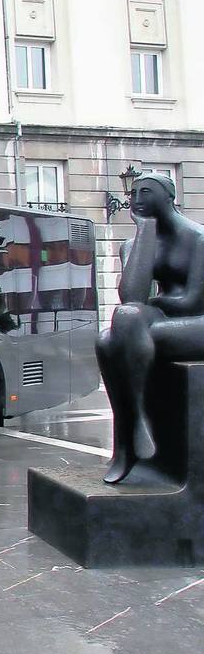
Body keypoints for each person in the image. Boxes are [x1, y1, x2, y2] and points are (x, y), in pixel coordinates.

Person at [97, 172, 204, 483]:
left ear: (169, 197)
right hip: (164, 321)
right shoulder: (134, 243)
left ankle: (133, 428)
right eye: (133, 192)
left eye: (146, 191)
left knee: (124, 327)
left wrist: (154, 306)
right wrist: (145, 231)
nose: (137, 198)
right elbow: (131, 296)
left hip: (197, 321)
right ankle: (134, 427)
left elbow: (192, 301)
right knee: (107, 339)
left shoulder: (198, 239)